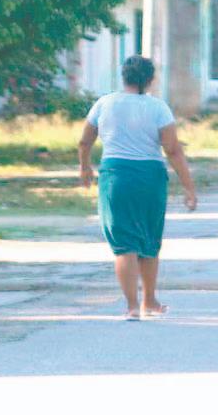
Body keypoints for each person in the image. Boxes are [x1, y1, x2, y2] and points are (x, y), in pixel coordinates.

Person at [78, 55, 197, 321]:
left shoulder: (104, 104)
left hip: (116, 176)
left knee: (124, 243)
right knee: (149, 239)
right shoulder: (158, 108)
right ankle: (149, 301)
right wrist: (189, 187)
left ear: (124, 77)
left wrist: (85, 168)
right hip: (150, 177)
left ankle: (132, 306)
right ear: (150, 79)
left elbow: (84, 141)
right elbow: (173, 150)